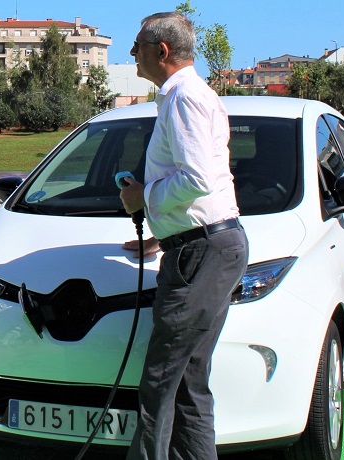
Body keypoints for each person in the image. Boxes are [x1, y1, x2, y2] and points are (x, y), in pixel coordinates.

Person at [119, 12, 249, 460]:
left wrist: (144, 199)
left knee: (160, 382)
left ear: (162, 51)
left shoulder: (182, 98)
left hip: (203, 254)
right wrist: (163, 234)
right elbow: (205, 189)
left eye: (137, 47)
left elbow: (197, 180)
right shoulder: (191, 95)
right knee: (190, 381)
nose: (131, 54)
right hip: (205, 247)